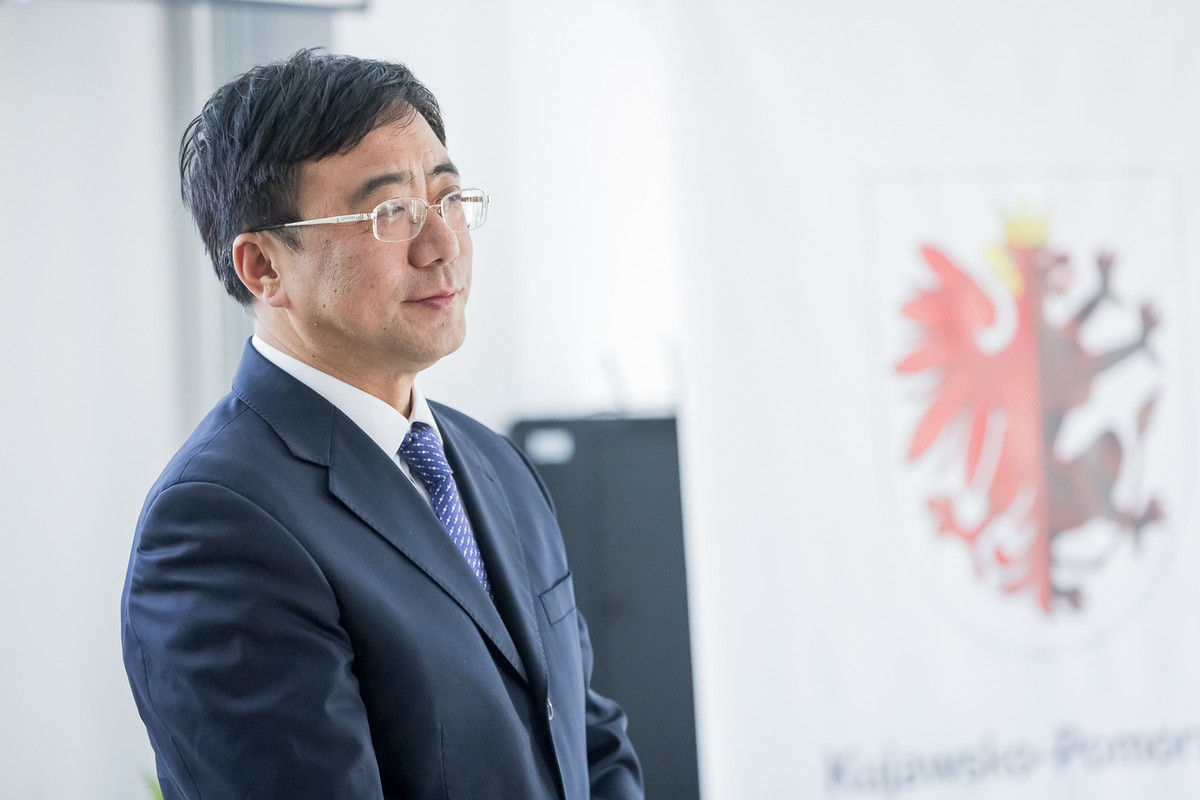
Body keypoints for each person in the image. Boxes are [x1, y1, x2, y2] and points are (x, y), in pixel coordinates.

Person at [120, 48, 643, 800]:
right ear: (263, 267)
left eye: (449, 198)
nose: (443, 245)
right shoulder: (219, 523)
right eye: (390, 212)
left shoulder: (495, 463)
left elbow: (591, 747)